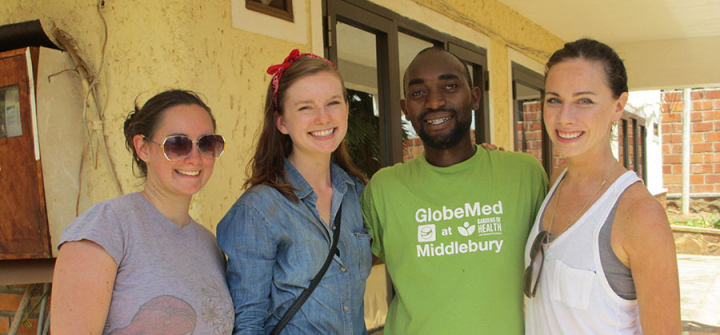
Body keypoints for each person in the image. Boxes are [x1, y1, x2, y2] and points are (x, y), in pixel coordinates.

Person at [361, 47, 548, 334]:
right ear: (405, 108)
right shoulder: (384, 189)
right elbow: (345, 272)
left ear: (474, 97)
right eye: (418, 92)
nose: (434, 102)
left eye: (450, 86)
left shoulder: (523, 174)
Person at [523, 38, 681, 334]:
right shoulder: (556, 181)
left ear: (618, 107)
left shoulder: (639, 214)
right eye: (554, 99)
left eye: (584, 101)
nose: (564, 117)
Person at [51, 90, 233, 335]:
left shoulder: (208, 244)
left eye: (206, 144)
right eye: (177, 144)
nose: (194, 158)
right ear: (143, 148)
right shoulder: (106, 228)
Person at [216, 50, 371, 334]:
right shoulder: (259, 210)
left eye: (333, 103)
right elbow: (247, 323)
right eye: (305, 107)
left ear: (347, 109)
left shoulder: (357, 193)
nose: (323, 118)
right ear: (281, 122)